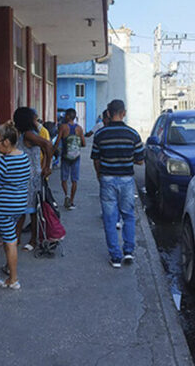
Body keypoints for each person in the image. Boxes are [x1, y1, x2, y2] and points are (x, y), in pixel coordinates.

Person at [91, 100, 144, 268]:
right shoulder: (133, 134)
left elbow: (96, 158)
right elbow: (140, 161)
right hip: (126, 180)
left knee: (109, 218)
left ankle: (115, 257)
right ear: (124, 113)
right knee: (128, 215)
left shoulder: (100, 134)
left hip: (106, 179)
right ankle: (128, 251)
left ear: (108, 113)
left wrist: (100, 175)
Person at [0, 123, 30, 289]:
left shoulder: (3, 162)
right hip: (19, 204)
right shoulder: (24, 157)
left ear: (7, 142)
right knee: (11, 238)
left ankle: (13, 279)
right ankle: (10, 268)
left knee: (9, 241)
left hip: (4, 206)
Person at [13, 107, 53, 252]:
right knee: (24, 208)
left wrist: (47, 166)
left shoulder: (29, 135)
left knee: (32, 209)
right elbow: (44, 148)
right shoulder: (26, 134)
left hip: (30, 177)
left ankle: (33, 240)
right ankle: (17, 238)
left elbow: (48, 145)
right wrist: (43, 164)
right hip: (27, 175)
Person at [54, 108, 86, 210]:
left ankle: (66, 195)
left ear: (67, 116)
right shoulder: (79, 129)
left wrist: (53, 151)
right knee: (74, 180)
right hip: (76, 157)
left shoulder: (63, 127)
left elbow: (58, 141)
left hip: (65, 156)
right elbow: (84, 144)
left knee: (64, 178)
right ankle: (72, 201)